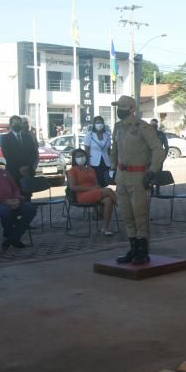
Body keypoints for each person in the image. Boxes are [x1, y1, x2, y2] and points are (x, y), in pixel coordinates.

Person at [109, 96, 166, 265]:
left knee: (139, 214)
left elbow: (158, 150)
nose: (120, 110)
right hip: (122, 176)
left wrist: (152, 171)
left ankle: (142, 250)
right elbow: (114, 150)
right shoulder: (118, 127)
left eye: (123, 107)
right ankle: (133, 248)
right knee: (126, 214)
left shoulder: (143, 127)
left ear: (132, 109)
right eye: (118, 107)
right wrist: (113, 169)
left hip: (138, 176)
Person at [67, 148, 118, 236]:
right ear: (74, 159)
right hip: (82, 196)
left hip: (94, 192)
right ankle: (121, 206)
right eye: (78, 156)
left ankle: (105, 228)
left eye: (82, 156)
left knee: (108, 200)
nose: (81, 158)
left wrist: (96, 187)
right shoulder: (72, 170)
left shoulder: (91, 170)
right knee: (109, 190)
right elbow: (72, 187)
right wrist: (91, 189)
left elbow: (95, 184)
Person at [0, 159, 36, 249]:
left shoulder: (5, 173)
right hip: (1, 204)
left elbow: (15, 188)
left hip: (14, 201)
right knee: (6, 212)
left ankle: (12, 238)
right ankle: (11, 237)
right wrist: (5, 201)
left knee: (30, 208)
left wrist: (17, 198)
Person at [1, 115, 39, 198]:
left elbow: (33, 153)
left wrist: (28, 166)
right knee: (16, 196)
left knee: (27, 196)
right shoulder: (5, 138)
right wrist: (21, 167)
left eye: (19, 123)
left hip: (27, 171)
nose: (17, 125)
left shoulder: (28, 137)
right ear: (10, 125)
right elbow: (8, 155)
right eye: (15, 123)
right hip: (13, 172)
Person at [84, 116, 112, 187]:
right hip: (93, 163)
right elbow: (86, 151)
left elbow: (109, 151)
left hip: (105, 163)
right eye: (98, 123)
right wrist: (88, 165)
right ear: (94, 124)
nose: (100, 124)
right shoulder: (89, 135)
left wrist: (112, 163)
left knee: (105, 182)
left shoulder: (107, 135)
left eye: (101, 123)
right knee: (95, 183)